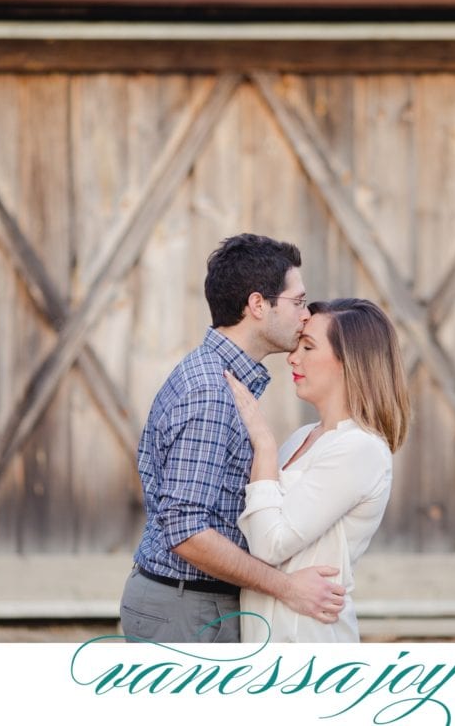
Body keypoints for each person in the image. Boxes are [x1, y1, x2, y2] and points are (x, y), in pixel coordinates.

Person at [120, 234, 347, 643]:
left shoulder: (222, 380)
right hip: (186, 611)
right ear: (258, 305)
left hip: (191, 605)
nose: (305, 316)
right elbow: (186, 530)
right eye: (298, 302)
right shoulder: (211, 392)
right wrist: (287, 588)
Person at [224, 298, 410, 642]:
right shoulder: (301, 438)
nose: (293, 357)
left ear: (349, 362)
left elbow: (269, 545)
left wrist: (263, 444)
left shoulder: (360, 449)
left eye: (308, 347)